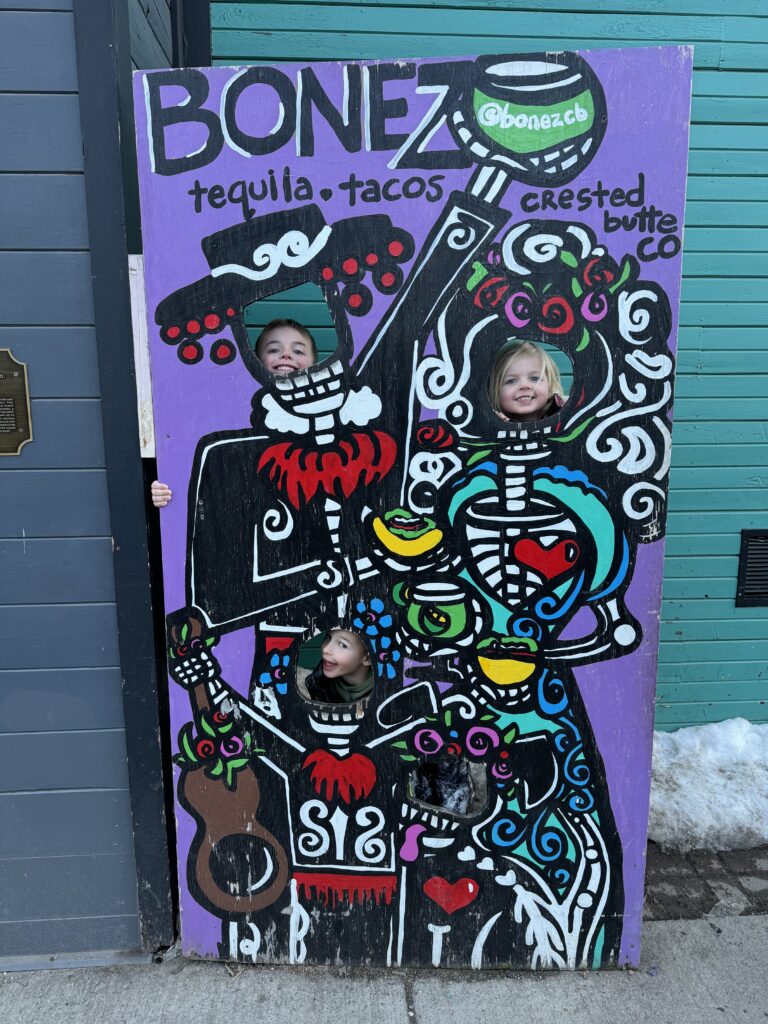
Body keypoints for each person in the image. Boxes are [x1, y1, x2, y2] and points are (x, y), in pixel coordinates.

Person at [150, 318, 318, 508]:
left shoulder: (332, 413)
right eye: (273, 350)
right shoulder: (232, 411)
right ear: (255, 362)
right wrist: (162, 491)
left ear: (315, 363)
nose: (286, 355)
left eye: (298, 351)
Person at [487, 340, 566, 423]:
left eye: (534, 378)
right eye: (511, 381)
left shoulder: (566, 410)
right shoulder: (487, 423)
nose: (524, 385)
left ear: (550, 387)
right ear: (495, 391)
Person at [305, 629, 374, 704]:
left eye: (343, 645)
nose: (325, 649)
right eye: (328, 637)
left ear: (368, 658)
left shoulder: (383, 694)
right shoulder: (317, 681)